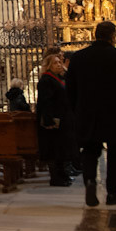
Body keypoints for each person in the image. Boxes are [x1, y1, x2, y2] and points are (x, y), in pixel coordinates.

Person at [65, 20, 116, 207]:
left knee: (90, 151)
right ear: (113, 36)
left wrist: (76, 112)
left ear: (95, 35)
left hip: (87, 112)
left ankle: (90, 181)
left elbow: (70, 90)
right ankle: (112, 193)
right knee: (115, 153)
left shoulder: (78, 58)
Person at [36, 54, 75, 187]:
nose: (59, 64)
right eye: (55, 63)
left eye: (59, 62)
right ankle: (55, 177)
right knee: (53, 149)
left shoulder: (58, 78)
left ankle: (62, 174)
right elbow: (45, 102)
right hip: (52, 121)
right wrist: (49, 120)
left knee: (61, 148)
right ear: (48, 66)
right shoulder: (46, 80)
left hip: (62, 119)